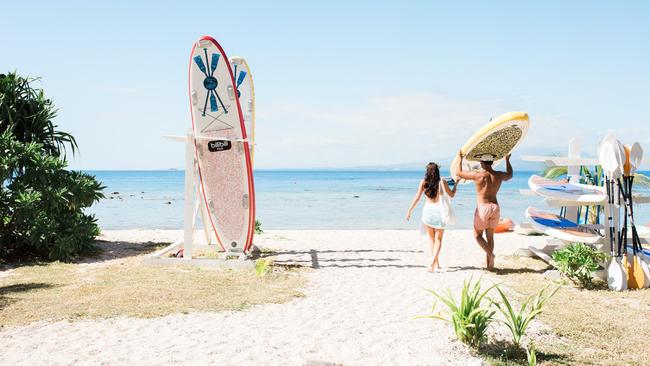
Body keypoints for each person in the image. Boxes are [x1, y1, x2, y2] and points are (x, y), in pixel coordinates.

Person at [455, 152, 513, 269]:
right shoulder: (498, 175)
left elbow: (458, 173)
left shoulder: (478, 175)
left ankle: (491, 255)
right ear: (492, 162)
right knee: (490, 237)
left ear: (482, 163)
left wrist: (459, 159)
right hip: (495, 207)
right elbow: (510, 175)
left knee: (477, 235)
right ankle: (489, 265)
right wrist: (507, 160)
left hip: (483, 208)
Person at [406, 162, 458, 272]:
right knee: (438, 239)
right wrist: (456, 185)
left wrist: (409, 210)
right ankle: (433, 263)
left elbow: (417, 198)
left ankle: (435, 263)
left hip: (428, 213)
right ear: (437, 171)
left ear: (427, 172)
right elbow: (452, 195)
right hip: (440, 213)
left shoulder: (423, 182)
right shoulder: (442, 182)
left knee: (431, 240)